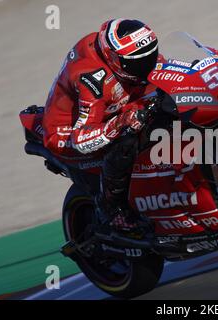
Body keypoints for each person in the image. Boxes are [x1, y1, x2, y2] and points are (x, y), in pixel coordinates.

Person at [42, 19, 159, 235]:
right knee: (127, 138)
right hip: (67, 132)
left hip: (114, 108)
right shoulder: (93, 79)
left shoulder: (128, 56)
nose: (146, 66)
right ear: (115, 59)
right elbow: (80, 139)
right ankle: (113, 209)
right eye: (137, 63)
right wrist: (120, 123)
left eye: (150, 56)